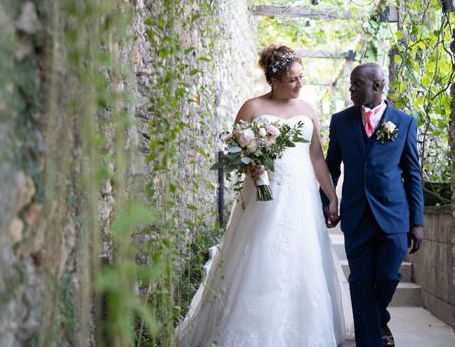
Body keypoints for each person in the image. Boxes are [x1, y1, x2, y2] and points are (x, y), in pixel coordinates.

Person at [175, 45, 353, 347]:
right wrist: (252, 170)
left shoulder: (308, 110)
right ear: (273, 80)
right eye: (292, 80)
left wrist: (331, 197)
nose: (300, 84)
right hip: (265, 196)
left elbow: (317, 159)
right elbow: (237, 153)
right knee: (261, 252)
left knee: (303, 257)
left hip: (301, 197)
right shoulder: (252, 108)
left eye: (301, 77)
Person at [321, 63, 424, 347]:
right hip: (356, 215)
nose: (351, 89)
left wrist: (417, 222)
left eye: (357, 84)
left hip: (394, 215)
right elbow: (331, 167)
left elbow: (412, 173)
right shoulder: (341, 121)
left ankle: (379, 318)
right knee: (361, 282)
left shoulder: (403, 122)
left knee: (388, 277)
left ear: (377, 85)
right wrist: (328, 201)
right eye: (351, 84)